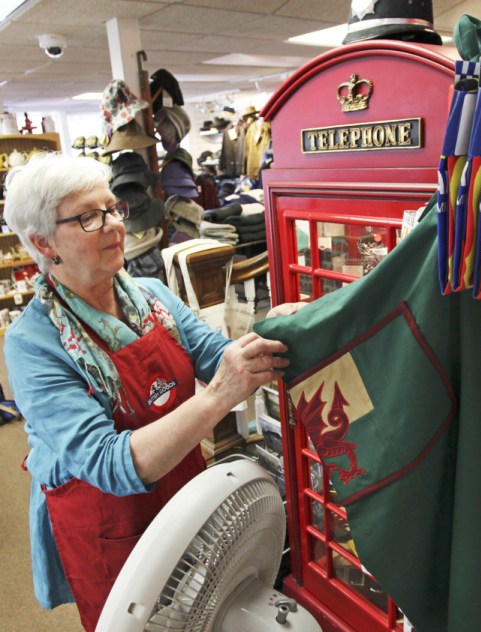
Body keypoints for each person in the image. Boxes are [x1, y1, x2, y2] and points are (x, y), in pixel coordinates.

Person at [2, 153, 299, 631]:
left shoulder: (151, 297)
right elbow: (109, 464)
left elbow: (217, 356)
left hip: (183, 491)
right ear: (42, 242)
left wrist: (284, 330)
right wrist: (218, 396)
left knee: (197, 608)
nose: (115, 225)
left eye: (112, 208)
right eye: (89, 217)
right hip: (108, 523)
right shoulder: (32, 344)